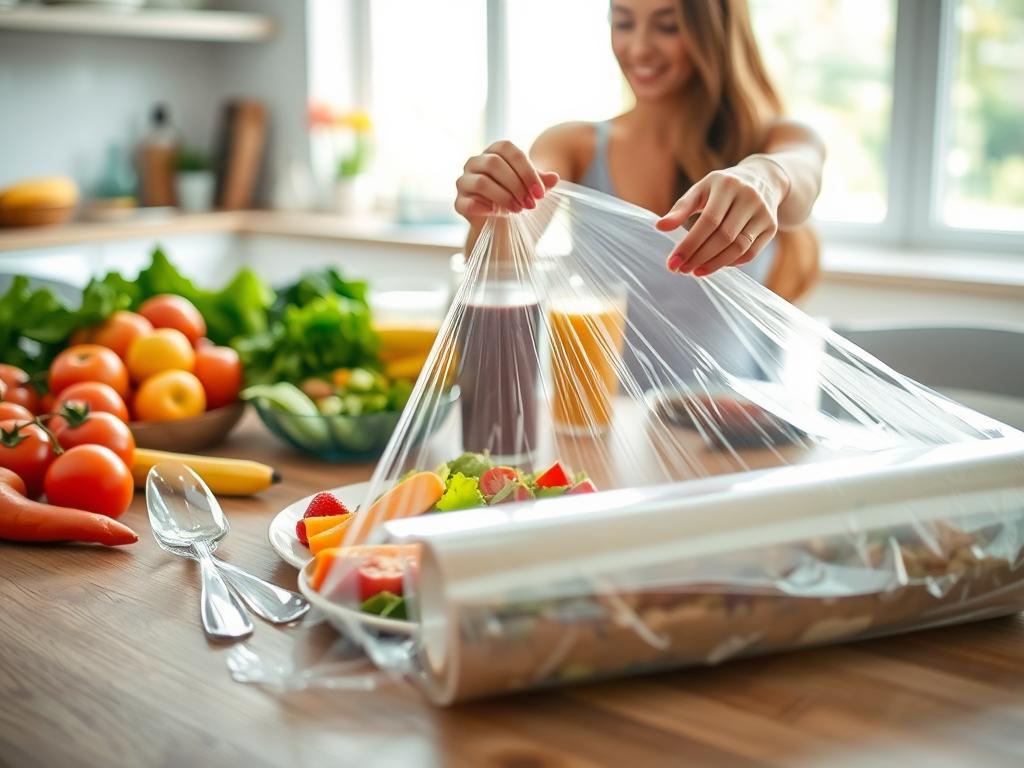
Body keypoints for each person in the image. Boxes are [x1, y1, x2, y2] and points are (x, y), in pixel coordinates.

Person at [454, 0, 825, 303]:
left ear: (715, 34)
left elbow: (799, 177)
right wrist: (494, 216)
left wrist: (765, 177)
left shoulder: (778, 138)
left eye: (668, 26)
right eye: (624, 22)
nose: (639, 48)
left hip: (736, 397)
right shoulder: (572, 146)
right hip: (603, 397)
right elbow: (500, 268)